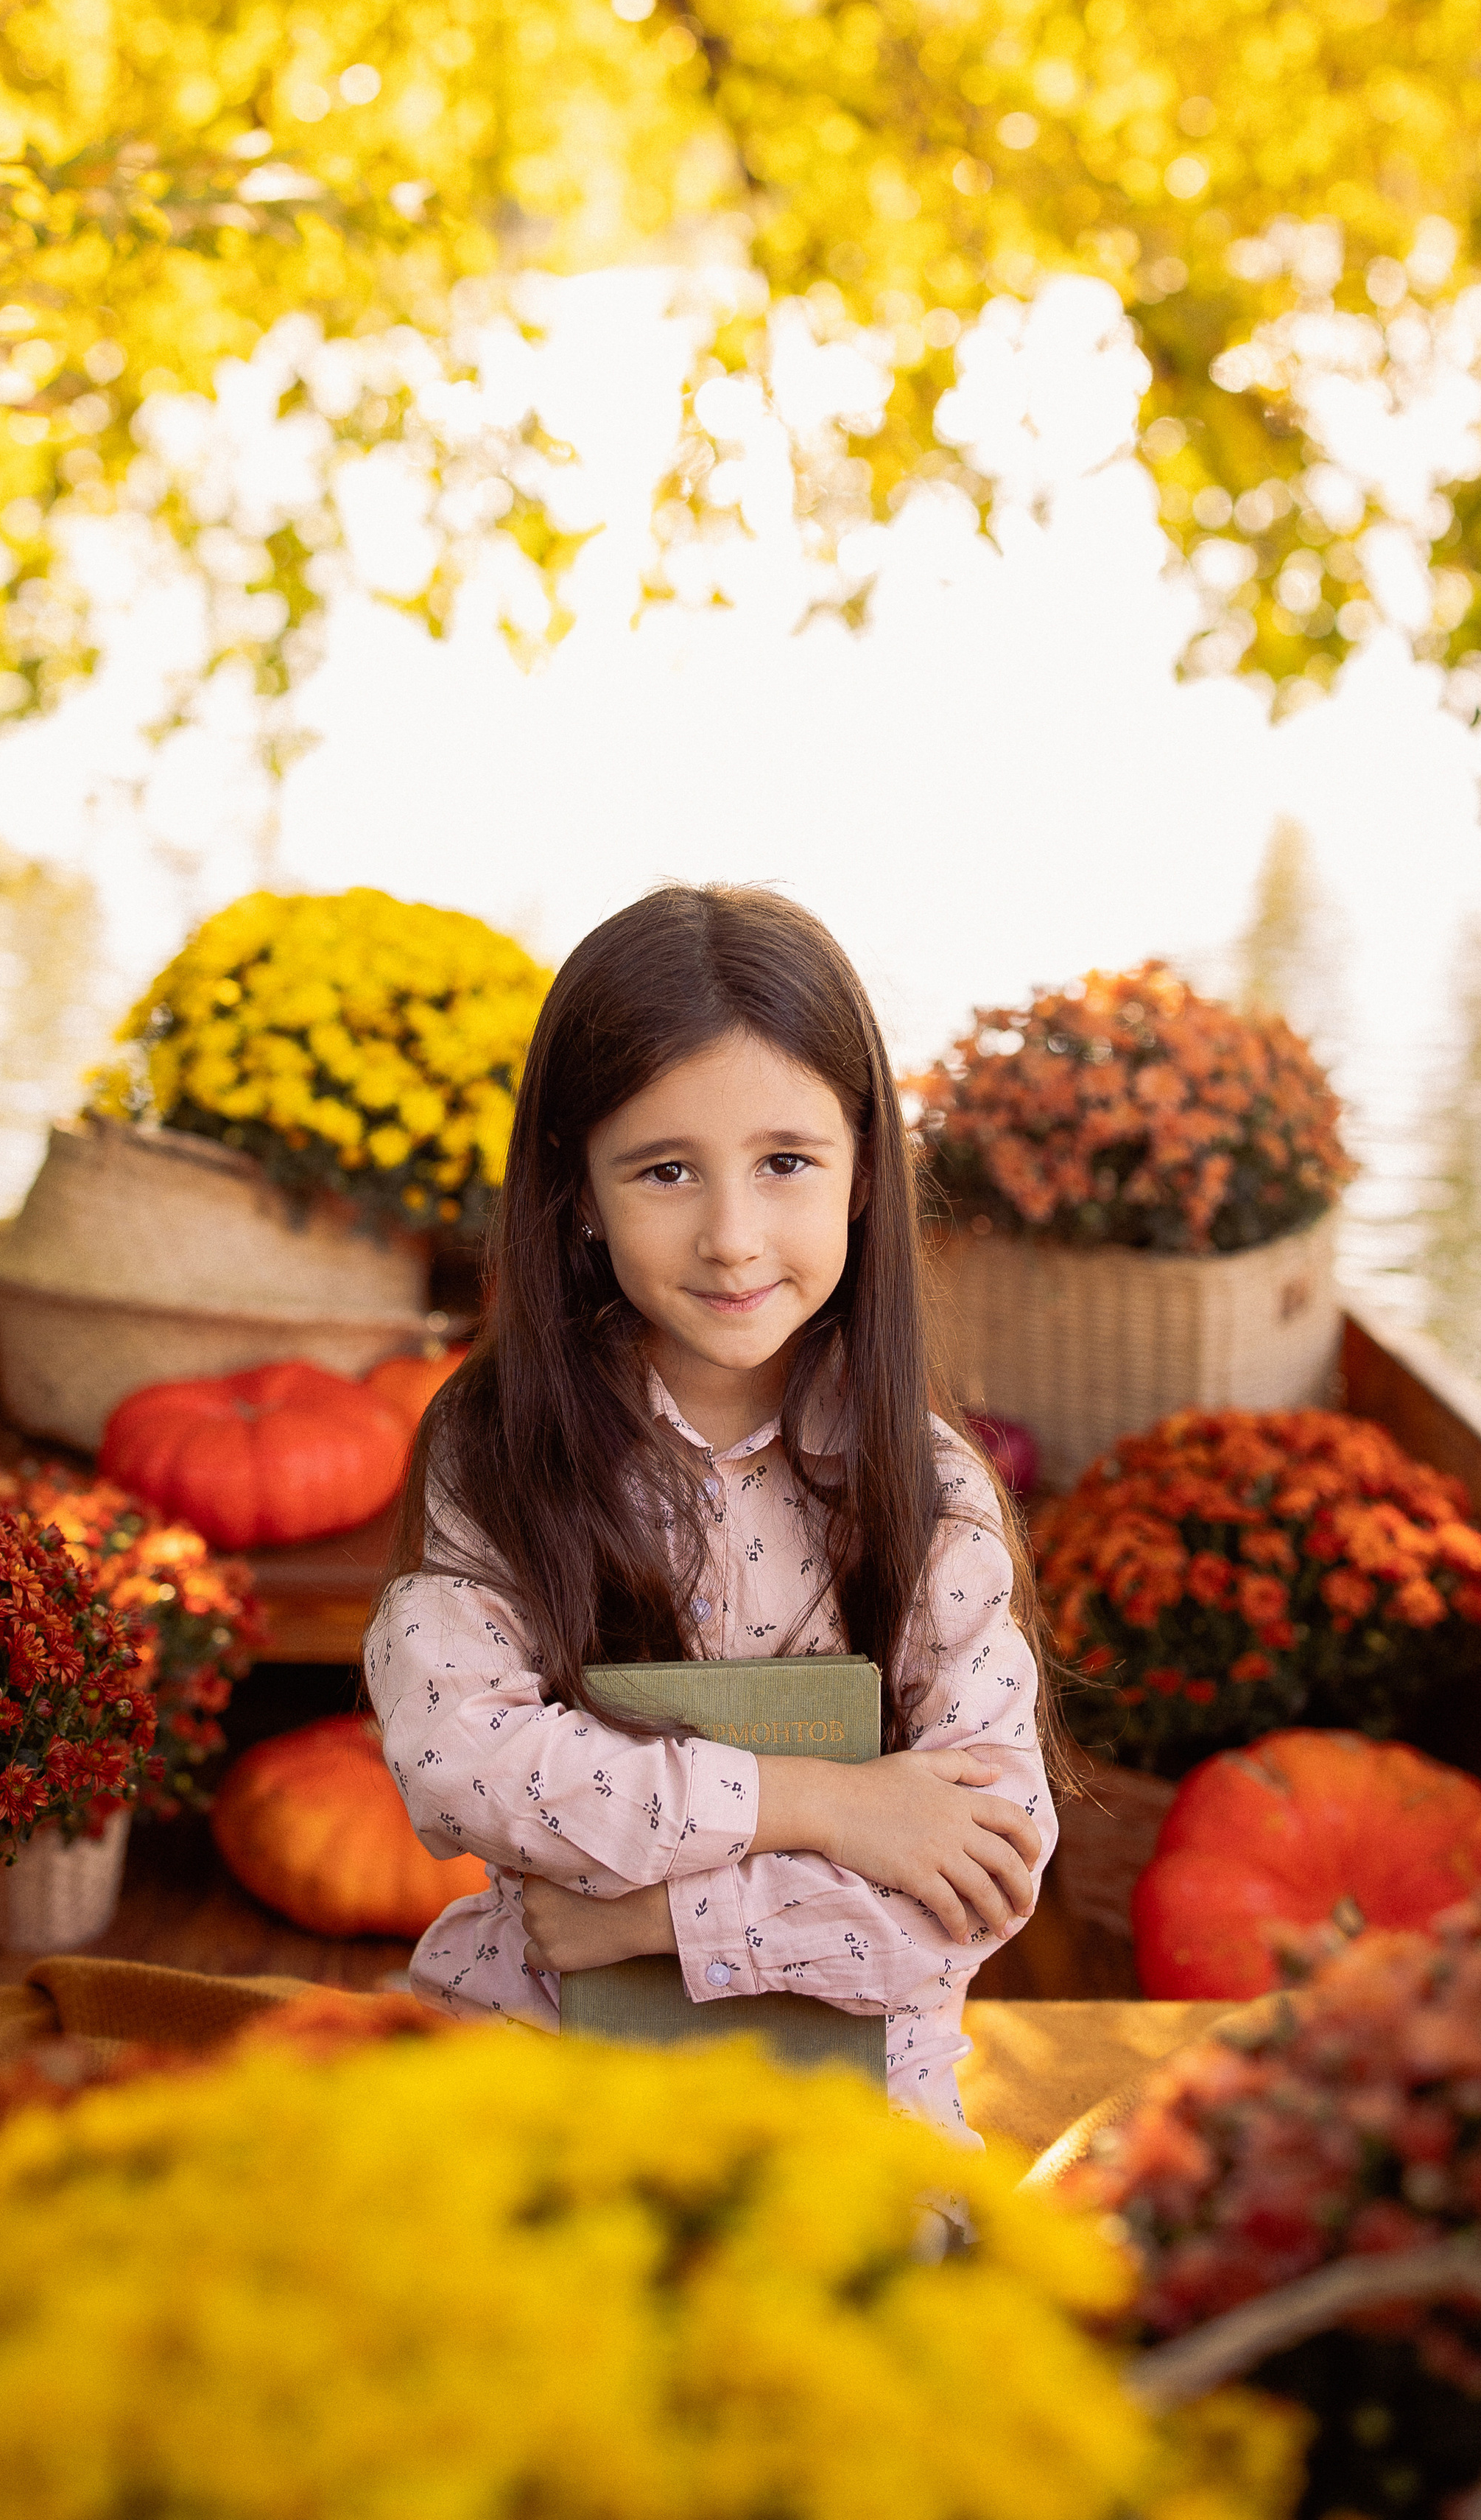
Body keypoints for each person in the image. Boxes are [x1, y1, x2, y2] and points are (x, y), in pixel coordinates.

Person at [363, 884, 1057, 2141]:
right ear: (578, 1190)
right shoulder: (497, 1449)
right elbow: (462, 1765)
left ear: (860, 1176)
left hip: (853, 2116)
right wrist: (826, 1806)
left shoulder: (930, 1491)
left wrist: (652, 1922)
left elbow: (980, 1882)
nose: (734, 1239)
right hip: (535, 2064)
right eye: (667, 1171)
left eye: (785, 1163)